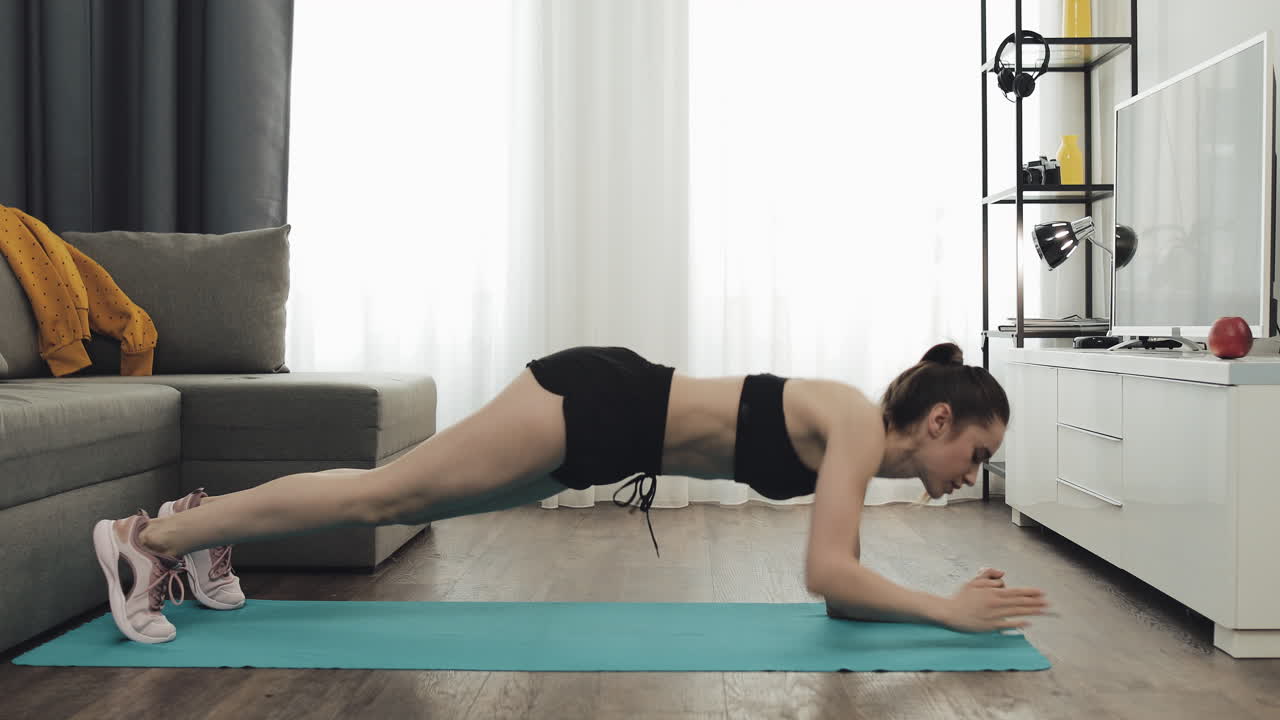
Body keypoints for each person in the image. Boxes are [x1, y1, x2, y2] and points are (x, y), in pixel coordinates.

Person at [93, 343, 1049, 644]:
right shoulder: (847, 418)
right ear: (937, 422)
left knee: (396, 501)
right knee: (385, 494)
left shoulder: (864, 454)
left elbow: (838, 587)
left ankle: (196, 528)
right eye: (977, 450)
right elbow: (827, 572)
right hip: (593, 401)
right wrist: (948, 613)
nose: (972, 473)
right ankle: (151, 540)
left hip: (598, 443)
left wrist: (935, 609)